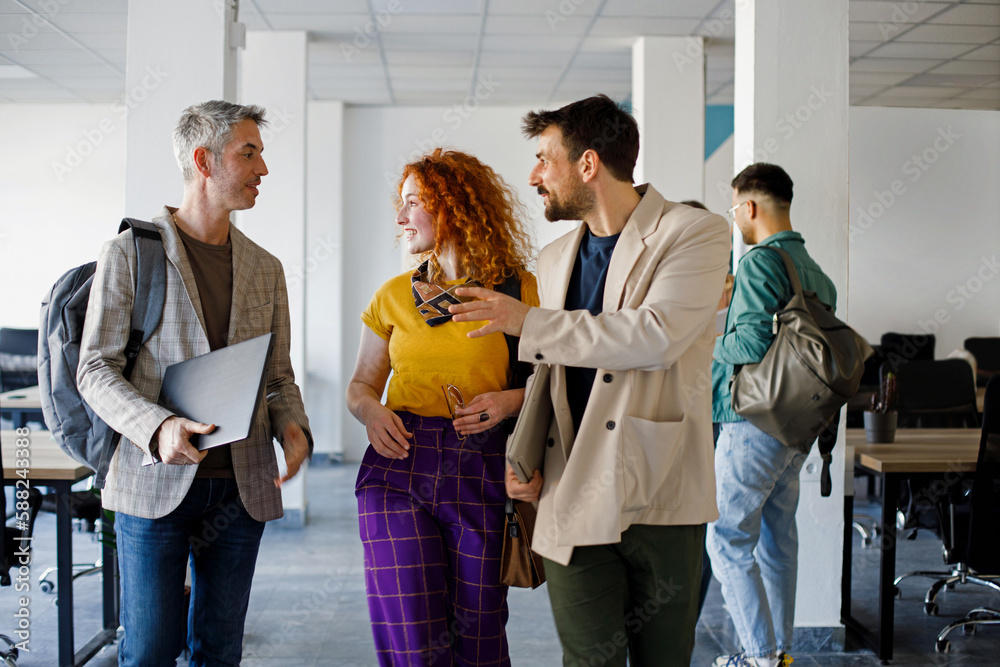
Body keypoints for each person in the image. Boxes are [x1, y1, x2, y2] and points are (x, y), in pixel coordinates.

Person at [448, 95, 730, 667]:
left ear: (587, 164)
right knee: (586, 661)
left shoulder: (694, 232)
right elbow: (552, 370)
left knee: (664, 660)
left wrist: (528, 322)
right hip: (568, 488)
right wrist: (523, 452)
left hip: (661, 491)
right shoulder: (554, 258)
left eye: (543, 159)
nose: (534, 176)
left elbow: (654, 337)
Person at [77, 100, 312, 666]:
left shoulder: (266, 268)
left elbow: (277, 377)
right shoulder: (130, 254)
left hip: (240, 488)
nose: (263, 168)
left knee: (219, 652)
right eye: (249, 153)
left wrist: (292, 426)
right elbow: (95, 368)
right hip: (152, 483)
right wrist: (158, 427)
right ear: (204, 162)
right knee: (149, 652)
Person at [346, 148, 538, 666]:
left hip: (482, 464)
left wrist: (509, 401)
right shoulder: (392, 296)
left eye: (413, 202)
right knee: (413, 631)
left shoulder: (519, 291)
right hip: (399, 462)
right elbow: (361, 385)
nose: (401, 217)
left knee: (480, 634)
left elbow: (554, 382)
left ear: (453, 206)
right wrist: (371, 412)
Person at [707, 163, 837, 667]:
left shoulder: (760, 261)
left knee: (726, 541)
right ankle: (778, 653)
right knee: (777, 543)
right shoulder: (814, 271)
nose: (735, 220)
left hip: (752, 424)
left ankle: (760, 657)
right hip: (795, 429)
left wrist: (702, 341)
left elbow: (751, 344)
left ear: (750, 207)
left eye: (733, 210)